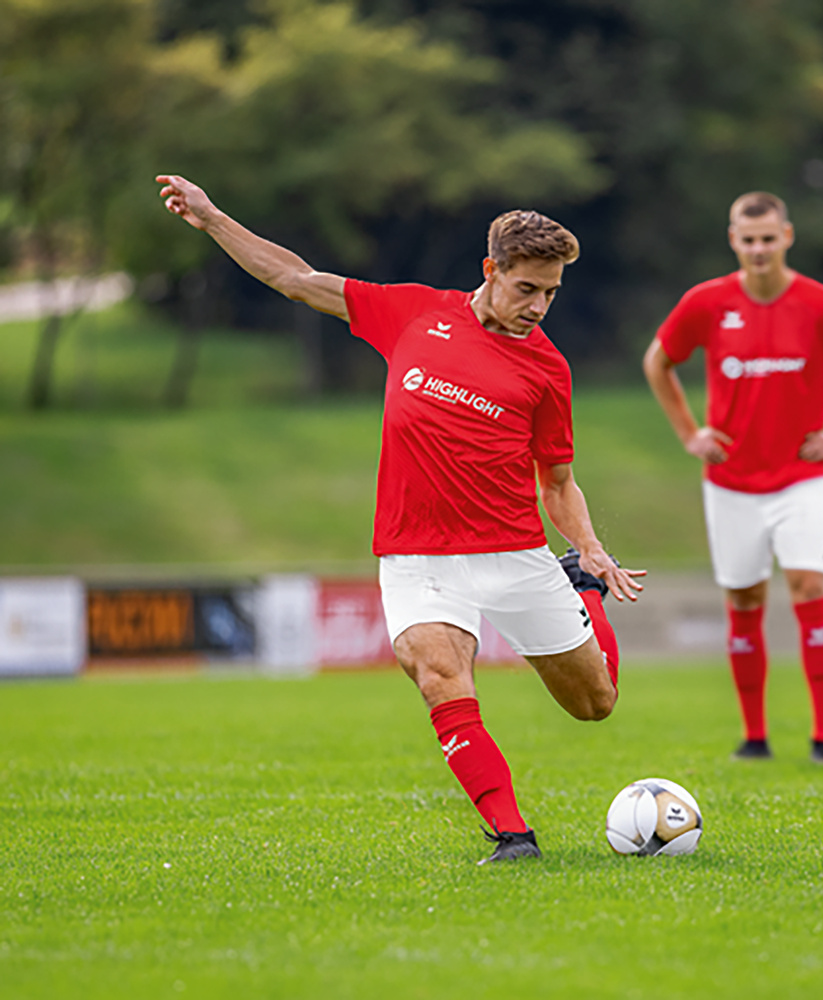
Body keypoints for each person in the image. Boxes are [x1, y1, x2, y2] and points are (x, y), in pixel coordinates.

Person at [157, 174, 644, 861]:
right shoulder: (413, 314)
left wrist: (590, 550)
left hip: (513, 554)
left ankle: (581, 594)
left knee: (594, 705)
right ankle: (513, 835)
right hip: (416, 557)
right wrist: (211, 218)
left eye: (552, 293)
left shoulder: (547, 371)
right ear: (491, 270)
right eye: (526, 288)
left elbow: (557, 479)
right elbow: (296, 279)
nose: (539, 306)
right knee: (439, 675)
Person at [643, 191, 823, 764]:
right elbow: (658, 361)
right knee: (745, 598)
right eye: (747, 239)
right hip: (731, 482)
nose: (758, 249)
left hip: (801, 478)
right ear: (733, 240)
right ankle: (754, 738)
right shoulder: (706, 303)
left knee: (808, 586)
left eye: (768, 238)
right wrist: (690, 434)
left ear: (787, 236)